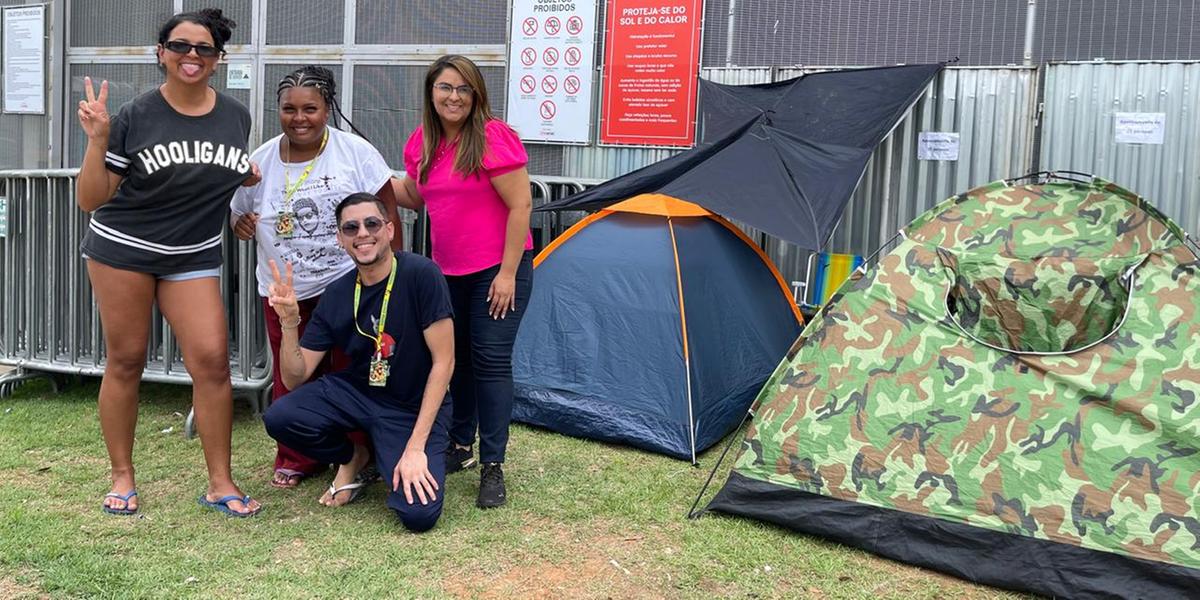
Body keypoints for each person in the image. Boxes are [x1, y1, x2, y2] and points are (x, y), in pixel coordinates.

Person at [75, 8, 261, 517]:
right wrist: (97, 141)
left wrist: (242, 177)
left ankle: (220, 483)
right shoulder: (135, 115)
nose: (191, 56)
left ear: (219, 60)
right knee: (128, 359)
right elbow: (91, 199)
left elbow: (224, 169)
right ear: (162, 53)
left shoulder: (235, 116)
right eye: (180, 46)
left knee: (212, 362)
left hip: (192, 253)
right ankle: (122, 476)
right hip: (123, 250)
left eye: (204, 49)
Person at [230, 66, 402, 503]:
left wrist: (390, 276)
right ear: (278, 111)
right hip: (285, 288)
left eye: (311, 108)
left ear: (328, 109)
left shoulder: (354, 152)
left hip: (349, 285)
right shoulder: (261, 160)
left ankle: (358, 451)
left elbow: (388, 212)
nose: (299, 117)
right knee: (292, 374)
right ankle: (297, 455)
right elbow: (238, 213)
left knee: (353, 370)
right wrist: (242, 223)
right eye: (289, 109)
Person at [262, 192, 454, 532]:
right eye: (351, 227)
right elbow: (295, 377)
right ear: (340, 238)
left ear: (390, 229)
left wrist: (414, 447)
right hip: (358, 392)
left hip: (411, 404)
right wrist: (289, 321)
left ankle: (390, 451)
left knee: (419, 515)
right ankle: (354, 457)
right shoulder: (337, 293)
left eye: (371, 224)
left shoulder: (421, 274)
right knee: (281, 416)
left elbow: (444, 362)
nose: (362, 233)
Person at [393, 54, 534, 508]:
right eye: (445, 88)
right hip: (447, 273)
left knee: (490, 362)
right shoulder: (421, 143)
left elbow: (521, 206)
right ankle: (460, 446)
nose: (453, 97)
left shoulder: (493, 137)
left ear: (476, 96)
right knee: (458, 364)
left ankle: (494, 465)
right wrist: (370, 177)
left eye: (463, 89)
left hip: (498, 271)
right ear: (431, 92)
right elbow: (417, 196)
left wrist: (508, 272)